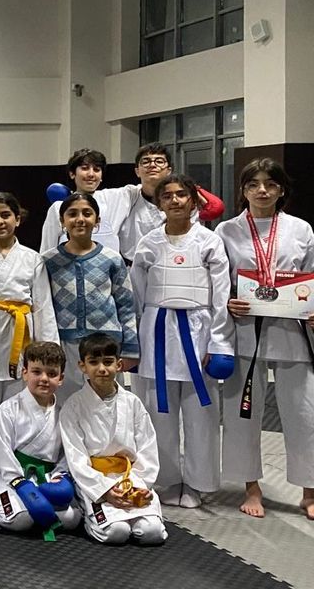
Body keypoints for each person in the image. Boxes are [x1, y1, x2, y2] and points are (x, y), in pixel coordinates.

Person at [217, 158, 314, 520]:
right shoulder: (226, 231)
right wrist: (228, 301)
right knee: (243, 411)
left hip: (293, 329)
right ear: (243, 190)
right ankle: (251, 486)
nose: (262, 190)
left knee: (304, 411)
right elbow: (218, 281)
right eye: (253, 184)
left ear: (281, 189)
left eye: (270, 184)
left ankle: (309, 490)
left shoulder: (300, 229)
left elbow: (312, 276)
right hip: (245, 328)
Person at [130, 174, 234, 509]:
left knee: (201, 412)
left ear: (193, 200)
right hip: (157, 329)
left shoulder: (208, 241)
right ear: (159, 203)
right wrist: (135, 338)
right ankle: (167, 479)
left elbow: (221, 294)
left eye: (181, 194)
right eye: (167, 196)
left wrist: (219, 342)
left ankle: (198, 483)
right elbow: (137, 293)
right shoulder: (148, 243)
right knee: (159, 411)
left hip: (199, 329)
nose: (174, 200)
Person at [0, 192, 59, 438]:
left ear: (17, 219)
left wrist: (46, 350)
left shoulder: (32, 258)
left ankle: (15, 459)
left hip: (22, 340)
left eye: (5, 215)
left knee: (19, 412)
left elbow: (43, 306)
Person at [59, 333, 166, 546]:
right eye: (94, 362)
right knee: (116, 532)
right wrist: (105, 491)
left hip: (131, 478)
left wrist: (140, 485)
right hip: (95, 481)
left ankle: (136, 505)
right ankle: (87, 510)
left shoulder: (132, 403)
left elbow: (147, 447)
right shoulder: (73, 406)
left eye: (108, 362)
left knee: (152, 533)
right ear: (82, 366)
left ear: (119, 365)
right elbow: (75, 458)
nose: (102, 369)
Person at [42, 192, 139, 403]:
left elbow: (126, 305)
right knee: (66, 404)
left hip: (105, 344)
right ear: (62, 221)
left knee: (108, 403)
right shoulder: (48, 261)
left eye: (87, 213)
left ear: (97, 220)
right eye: (72, 214)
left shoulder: (112, 259)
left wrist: (130, 348)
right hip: (65, 344)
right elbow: (42, 306)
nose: (80, 219)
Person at [0, 341, 82, 540]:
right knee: (22, 519)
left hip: (46, 477)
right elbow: (1, 454)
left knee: (71, 519)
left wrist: (60, 476)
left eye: (51, 373)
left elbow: (67, 453)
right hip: (13, 477)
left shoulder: (64, 414)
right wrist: (21, 484)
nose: (44, 379)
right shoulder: (7, 410)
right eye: (36, 372)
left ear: (61, 378)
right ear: (25, 373)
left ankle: (42, 509)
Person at [117, 143, 224, 261]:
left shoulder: (187, 198)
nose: (152, 165)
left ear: (169, 170)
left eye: (159, 161)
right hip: (133, 264)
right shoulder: (125, 196)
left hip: (182, 262)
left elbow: (215, 209)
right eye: (146, 162)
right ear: (137, 171)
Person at [38, 148, 130, 254]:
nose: (91, 174)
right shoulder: (58, 207)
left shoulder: (115, 198)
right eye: (85, 168)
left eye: (96, 169)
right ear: (72, 173)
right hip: (66, 264)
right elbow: (47, 250)